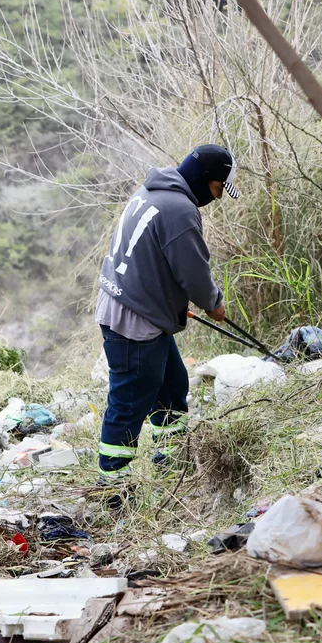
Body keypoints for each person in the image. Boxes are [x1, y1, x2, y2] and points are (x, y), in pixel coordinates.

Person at [94, 144, 238, 482]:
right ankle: (111, 484)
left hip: (131, 305)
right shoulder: (180, 210)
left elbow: (150, 258)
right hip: (134, 320)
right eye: (218, 189)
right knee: (128, 402)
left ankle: (171, 462)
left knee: (173, 387)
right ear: (205, 179)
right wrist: (213, 303)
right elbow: (194, 273)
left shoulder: (151, 190)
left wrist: (168, 301)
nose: (216, 198)